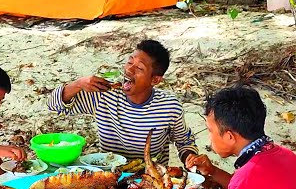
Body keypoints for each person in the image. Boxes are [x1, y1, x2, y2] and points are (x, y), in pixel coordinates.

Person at [47, 39, 199, 167]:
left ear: (155, 80)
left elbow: (184, 141)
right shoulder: (104, 95)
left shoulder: (169, 107)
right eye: (129, 62)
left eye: (139, 68)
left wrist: (190, 158)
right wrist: (78, 84)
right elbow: (53, 105)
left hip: (150, 179)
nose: (129, 70)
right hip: (109, 174)